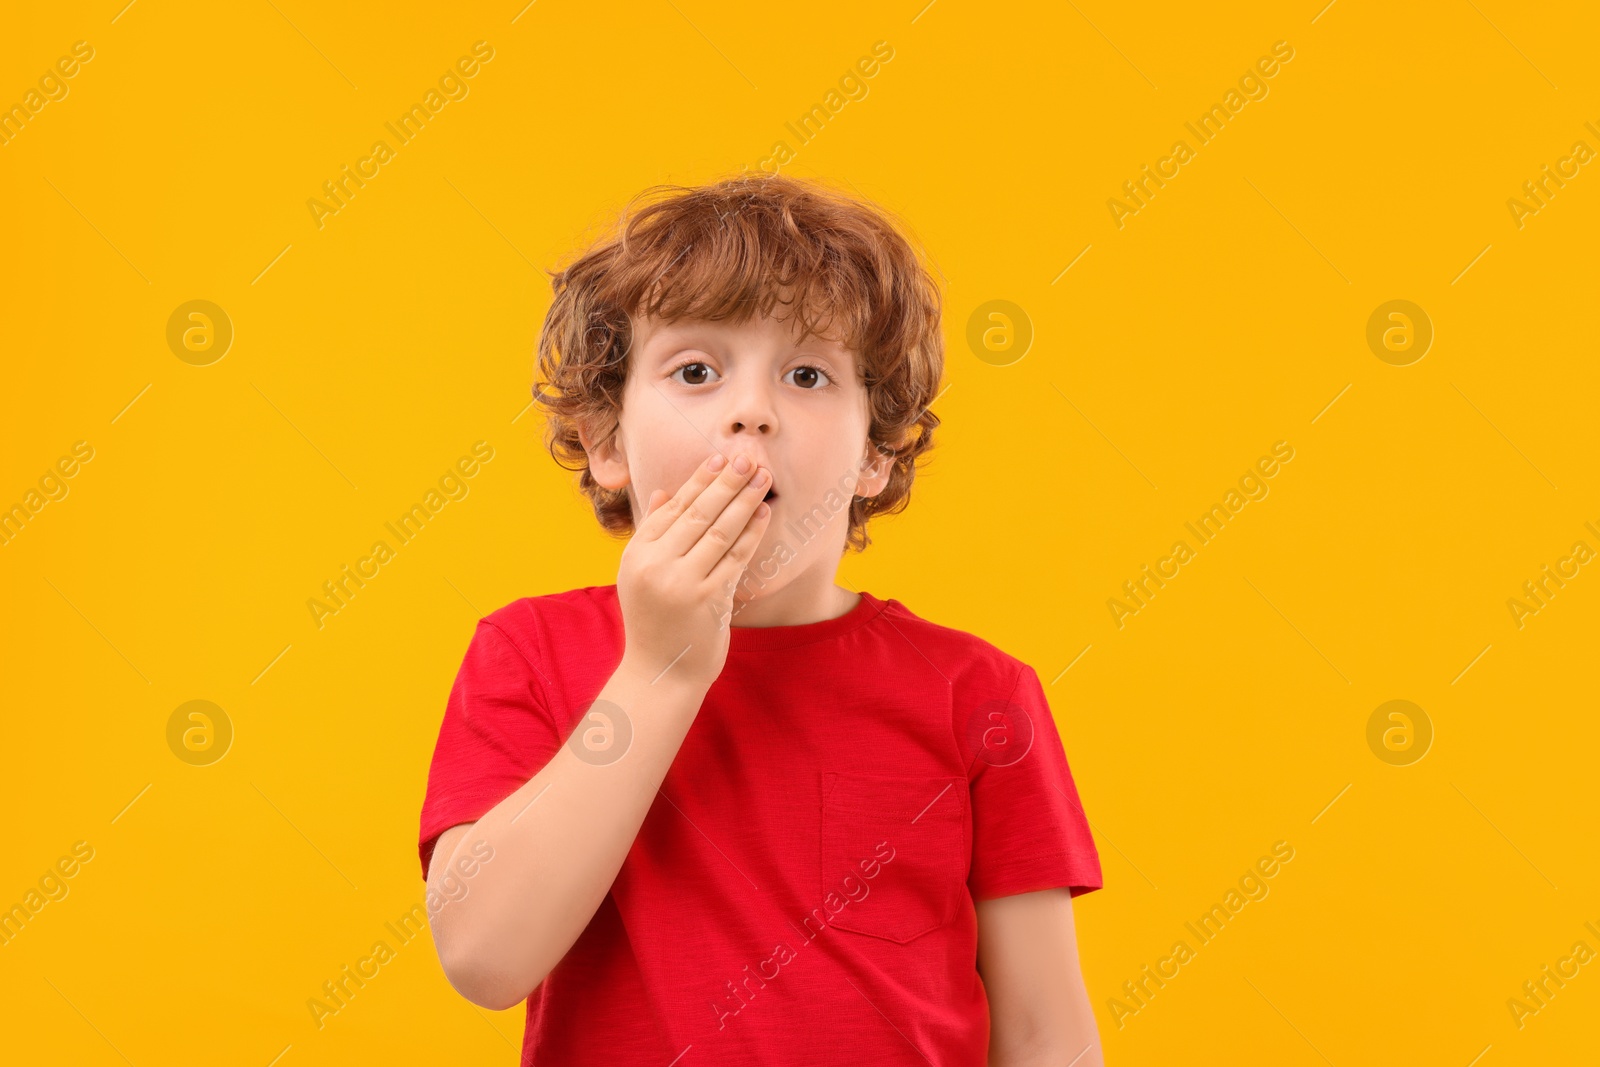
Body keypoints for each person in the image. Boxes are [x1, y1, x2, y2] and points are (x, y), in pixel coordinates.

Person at [416, 172, 1104, 1064]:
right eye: (696, 370)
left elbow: (1046, 1032)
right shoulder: (529, 652)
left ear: (877, 452)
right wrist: (660, 669)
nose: (753, 410)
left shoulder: (981, 694)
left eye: (808, 373)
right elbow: (482, 955)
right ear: (606, 442)